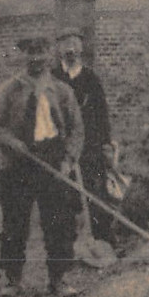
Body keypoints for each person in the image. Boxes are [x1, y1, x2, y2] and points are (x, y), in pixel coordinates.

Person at [0, 35, 84, 296]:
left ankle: (58, 279)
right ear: (23, 56)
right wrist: (11, 141)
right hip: (18, 164)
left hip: (52, 161)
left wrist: (68, 160)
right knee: (15, 223)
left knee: (58, 224)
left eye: (41, 53)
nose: (36, 59)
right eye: (31, 53)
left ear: (50, 56)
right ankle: (11, 279)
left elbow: (76, 130)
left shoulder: (62, 91)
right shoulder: (9, 89)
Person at [53, 27, 114, 244]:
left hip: (91, 146)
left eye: (74, 44)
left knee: (96, 193)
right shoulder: (52, 78)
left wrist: (106, 145)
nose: (70, 49)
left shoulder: (90, 78)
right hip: (62, 148)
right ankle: (67, 246)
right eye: (65, 44)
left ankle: (103, 240)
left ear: (81, 48)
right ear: (58, 49)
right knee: (63, 196)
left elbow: (102, 114)